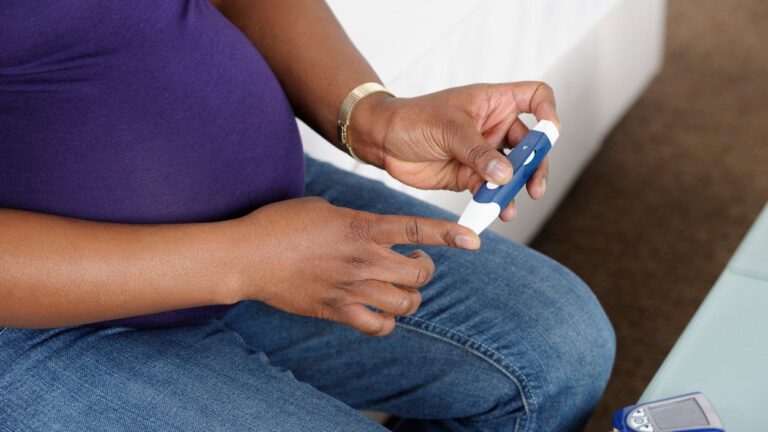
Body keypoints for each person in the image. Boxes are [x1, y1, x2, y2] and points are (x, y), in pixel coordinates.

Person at [0, 1, 615, 431]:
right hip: (40, 303)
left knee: (560, 349)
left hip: (270, 225)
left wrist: (370, 117)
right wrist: (246, 261)